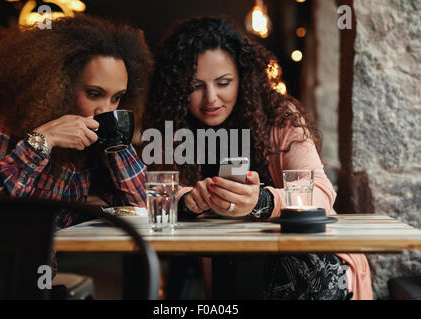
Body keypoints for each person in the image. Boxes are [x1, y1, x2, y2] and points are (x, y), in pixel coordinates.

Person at [143, 17, 372, 300]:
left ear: (243, 76)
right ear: (178, 87)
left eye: (223, 82)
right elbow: (150, 191)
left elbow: (322, 195)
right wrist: (189, 201)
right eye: (195, 86)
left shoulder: (279, 117)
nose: (211, 98)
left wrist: (261, 202)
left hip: (313, 266)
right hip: (235, 271)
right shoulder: (174, 125)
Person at [0, 15, 153, 275]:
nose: (106, 110)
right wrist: (43, 141)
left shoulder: (92, 144)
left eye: (117, 98)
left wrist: (116, 142)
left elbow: (141, 208)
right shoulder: (3, 125)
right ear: (58, 86)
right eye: (93, 93)